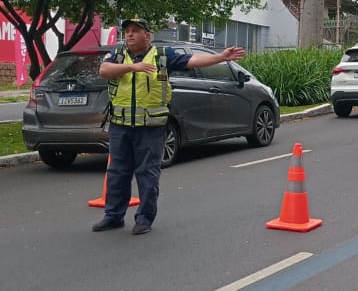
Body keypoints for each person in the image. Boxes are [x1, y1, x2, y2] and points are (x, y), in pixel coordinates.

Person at [92, 18, 246, 236]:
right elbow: (104, 70)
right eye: (127, 31)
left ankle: (144, 218)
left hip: (151, 128)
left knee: (147, 174)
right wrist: (132, 67)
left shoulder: (163, 56)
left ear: (148, 36)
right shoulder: (117, 56)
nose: (129, 35)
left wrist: (220, 57)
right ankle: (113, 216)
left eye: (135, 31)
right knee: (117, 172)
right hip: (121, 127)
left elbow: (192, 60)